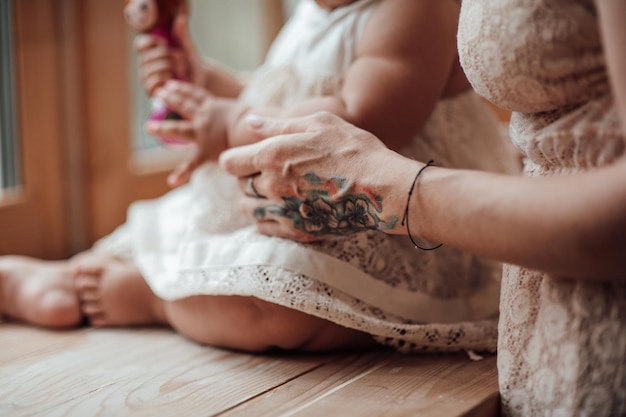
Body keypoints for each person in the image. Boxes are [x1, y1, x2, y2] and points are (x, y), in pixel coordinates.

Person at [0, 0, 519, 354]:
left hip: (389, 228)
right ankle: (67, 273)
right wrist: (204, 82)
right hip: (287, 205)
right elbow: (277, 90)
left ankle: (152, 298)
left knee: (283, 309)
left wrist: (227, 123)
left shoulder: (413, 9)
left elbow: (361, 116)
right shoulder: (313, 11)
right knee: (179, 225)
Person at [218, 0, 626, 415]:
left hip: (595, 335)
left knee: (280, 298)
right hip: (530, 322)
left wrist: (392, 192)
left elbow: (361, 114)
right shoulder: (307, 19)